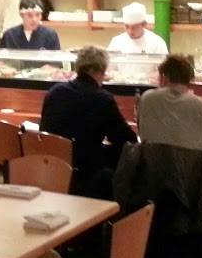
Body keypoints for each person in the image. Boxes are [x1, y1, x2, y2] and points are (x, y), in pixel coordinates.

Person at [40, 45, 137, 198]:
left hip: (51, 167)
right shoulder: (102, 98)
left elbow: (44, 129)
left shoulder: (54, 92)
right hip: (86, 174)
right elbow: (126, 139)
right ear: (99, 71)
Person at [136, 54, 202, 156]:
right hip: (190, 165)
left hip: (151, 165)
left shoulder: (146, 98)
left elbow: (143, 133)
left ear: (163, 77)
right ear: (190, 79)